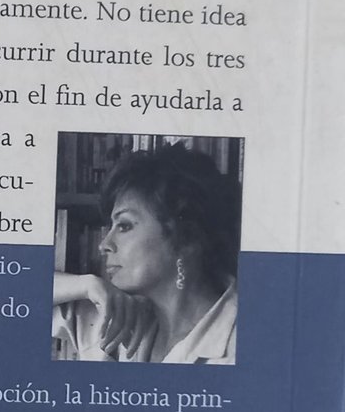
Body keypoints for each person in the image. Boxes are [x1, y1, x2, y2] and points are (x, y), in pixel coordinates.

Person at [52, 144, 239, 364]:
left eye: (124, 226)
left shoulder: (244, 342)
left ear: (186, 237)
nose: (103, 245)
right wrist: (87, 284)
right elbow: (18, 291)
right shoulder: (110, 316)